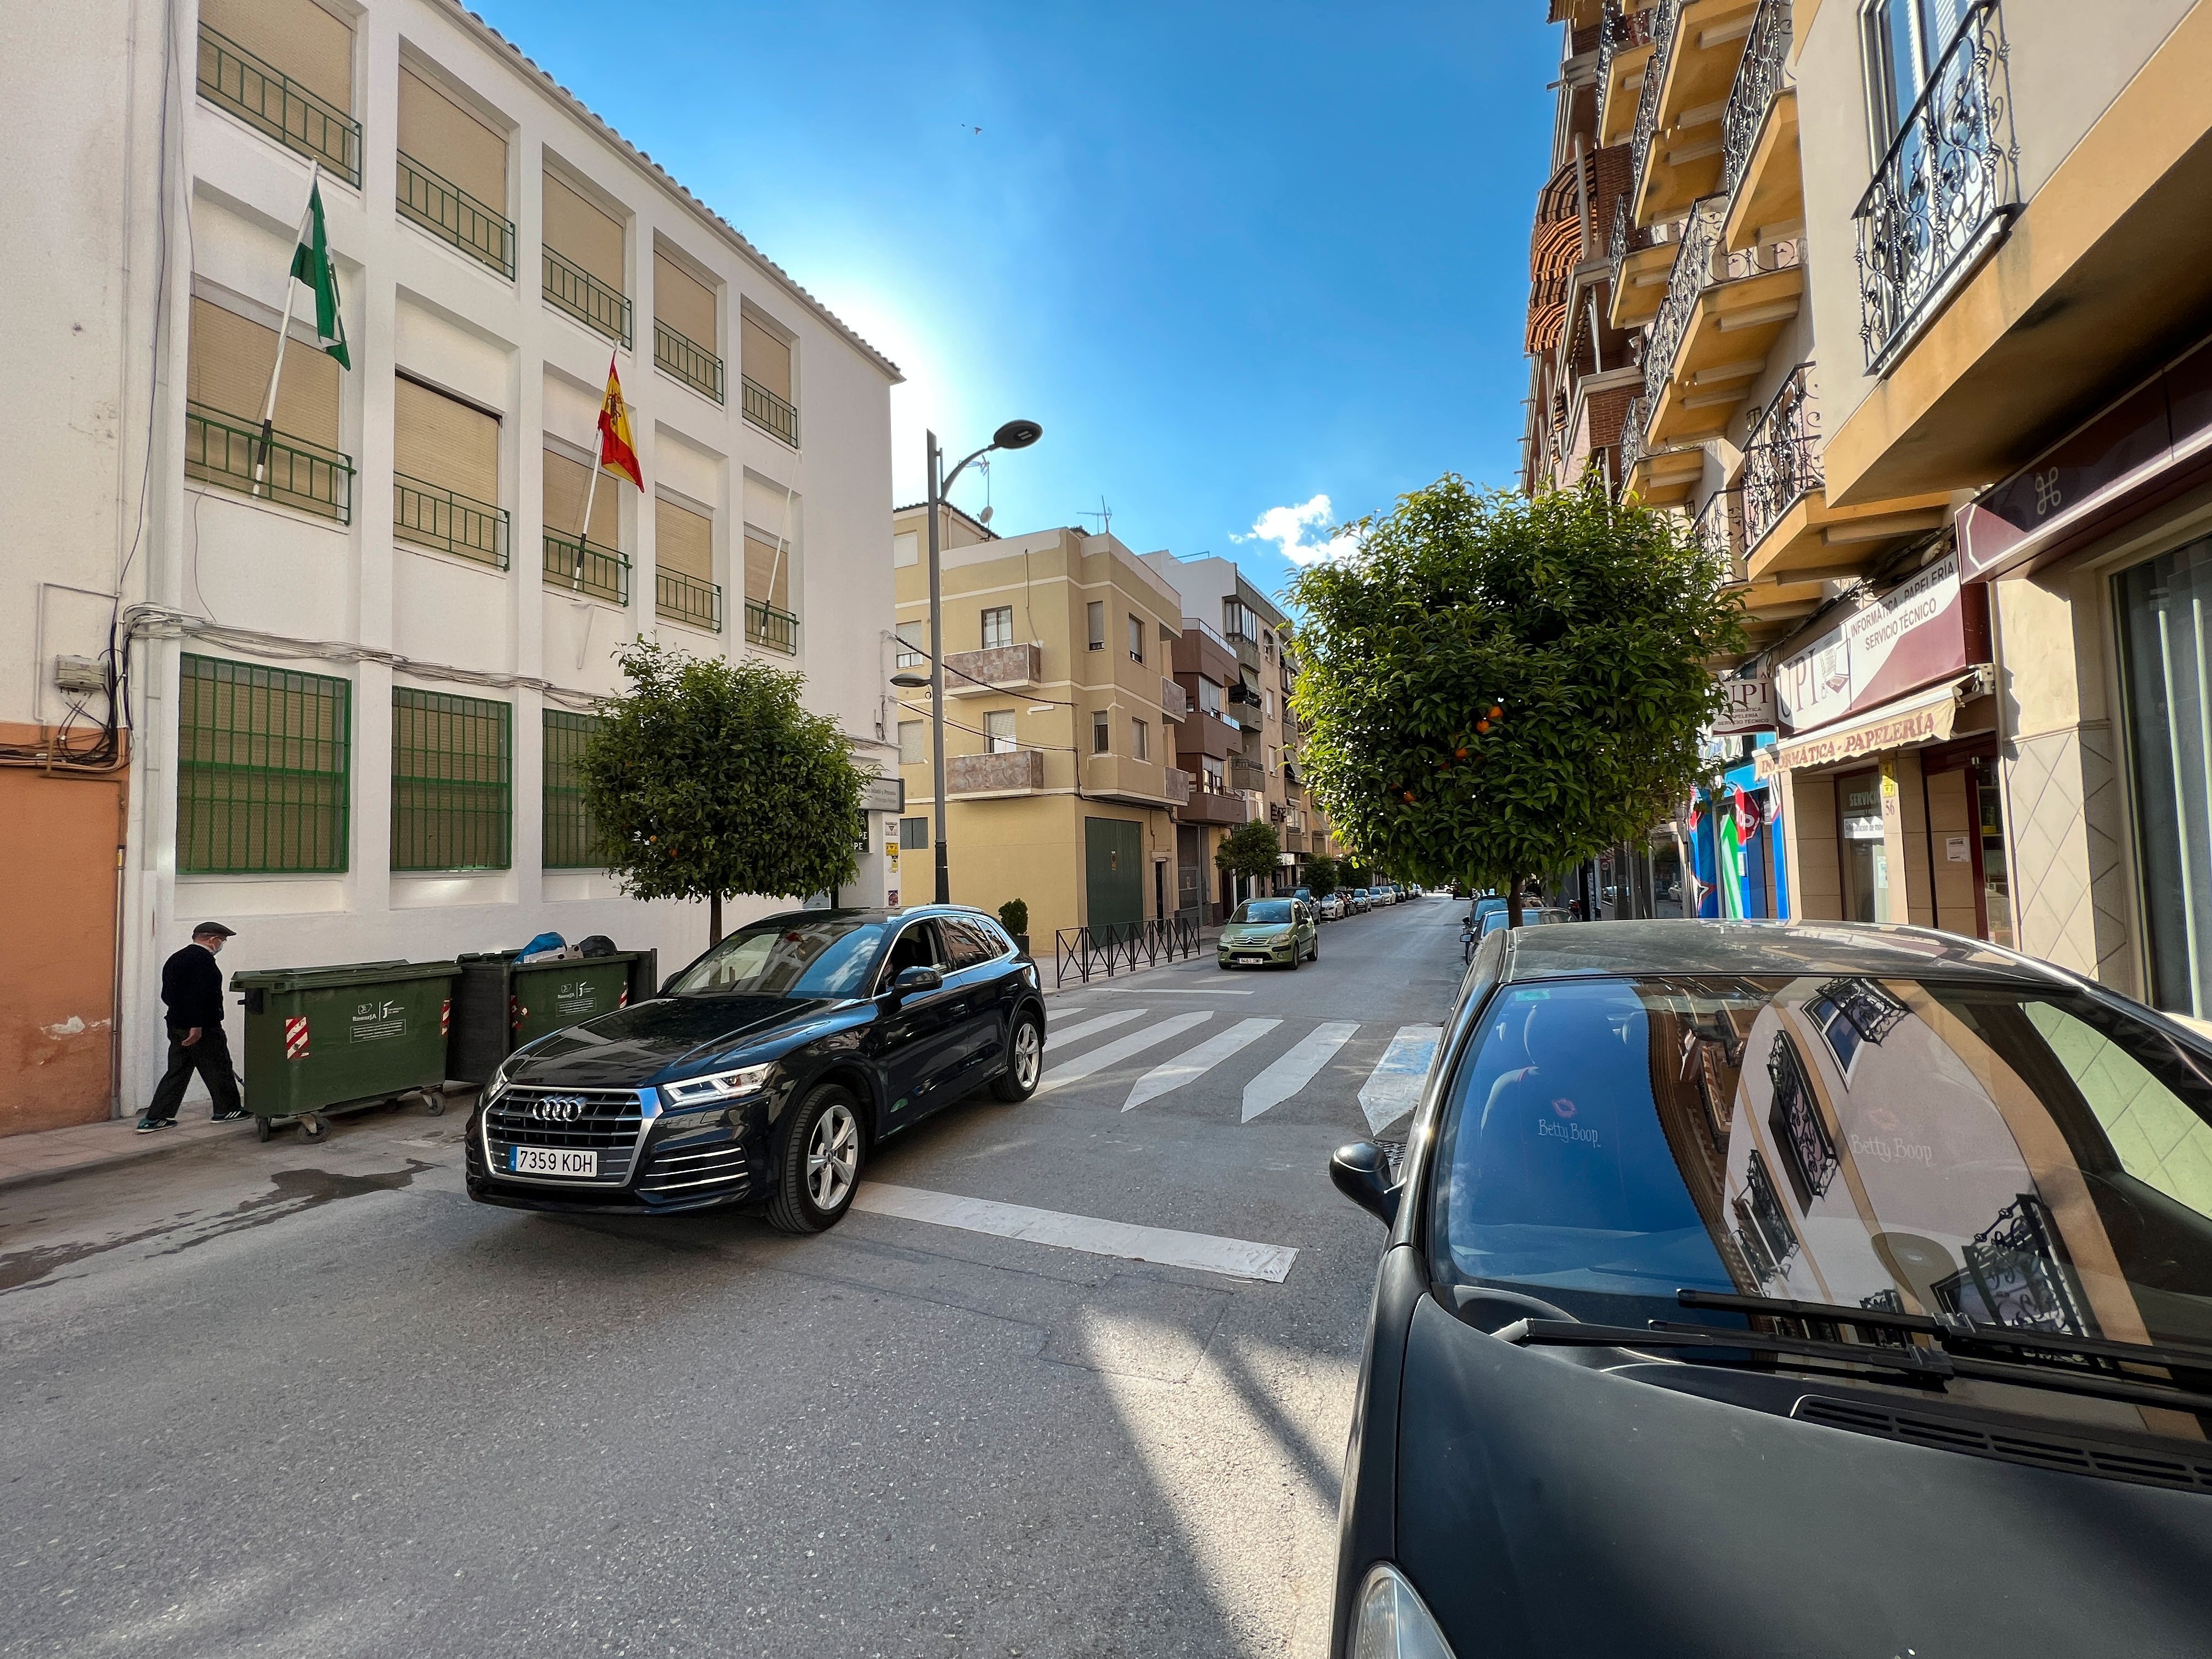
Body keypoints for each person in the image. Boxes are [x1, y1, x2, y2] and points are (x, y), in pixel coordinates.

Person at [137, 922, 246, 1132]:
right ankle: (228, 1110)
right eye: (222, 941)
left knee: (178, 1071)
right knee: (219, 1066)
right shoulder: (203, 961)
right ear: (212, 939)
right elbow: (198, 997)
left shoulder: (176, 958)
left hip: (177, 1024)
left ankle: (155, 1118)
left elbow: (168, 995)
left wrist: (182, 1020)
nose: (222, 944)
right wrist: (196, 1026)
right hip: (202, 1027)